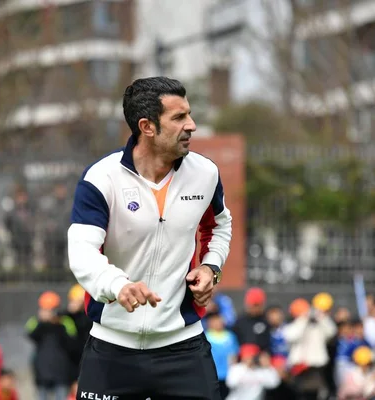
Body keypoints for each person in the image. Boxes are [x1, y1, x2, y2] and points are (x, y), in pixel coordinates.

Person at [68, 77, 232, 399]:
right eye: (179, 117)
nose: (192, 125)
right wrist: (118, 285)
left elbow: (220, 227)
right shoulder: (101, 178)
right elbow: (82, 251)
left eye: (189, 114)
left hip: (184, 347)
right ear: (147, 127)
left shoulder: (206, 173)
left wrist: (211, 268)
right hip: (111, 349)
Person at [25, 291, 77, 400]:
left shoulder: (65, 321)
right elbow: (30, 335)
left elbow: (72, 342)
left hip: (61, 372)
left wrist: (57, 324)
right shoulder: (35, 321)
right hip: (42, 372)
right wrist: (42, 322)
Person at [205, 311, 239, 399]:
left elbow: (234, 354)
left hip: (228, 375)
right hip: (211, 375)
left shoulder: (230, 336)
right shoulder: (205, 337)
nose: (217, 322)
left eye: (218, 319)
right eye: (213, 320)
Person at [232, 288, 271, 352]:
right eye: (253, 305)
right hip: (243, 356)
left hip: (262, 356)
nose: (255, 308)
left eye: (257, 305)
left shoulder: (267, 321)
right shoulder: (239, 322)